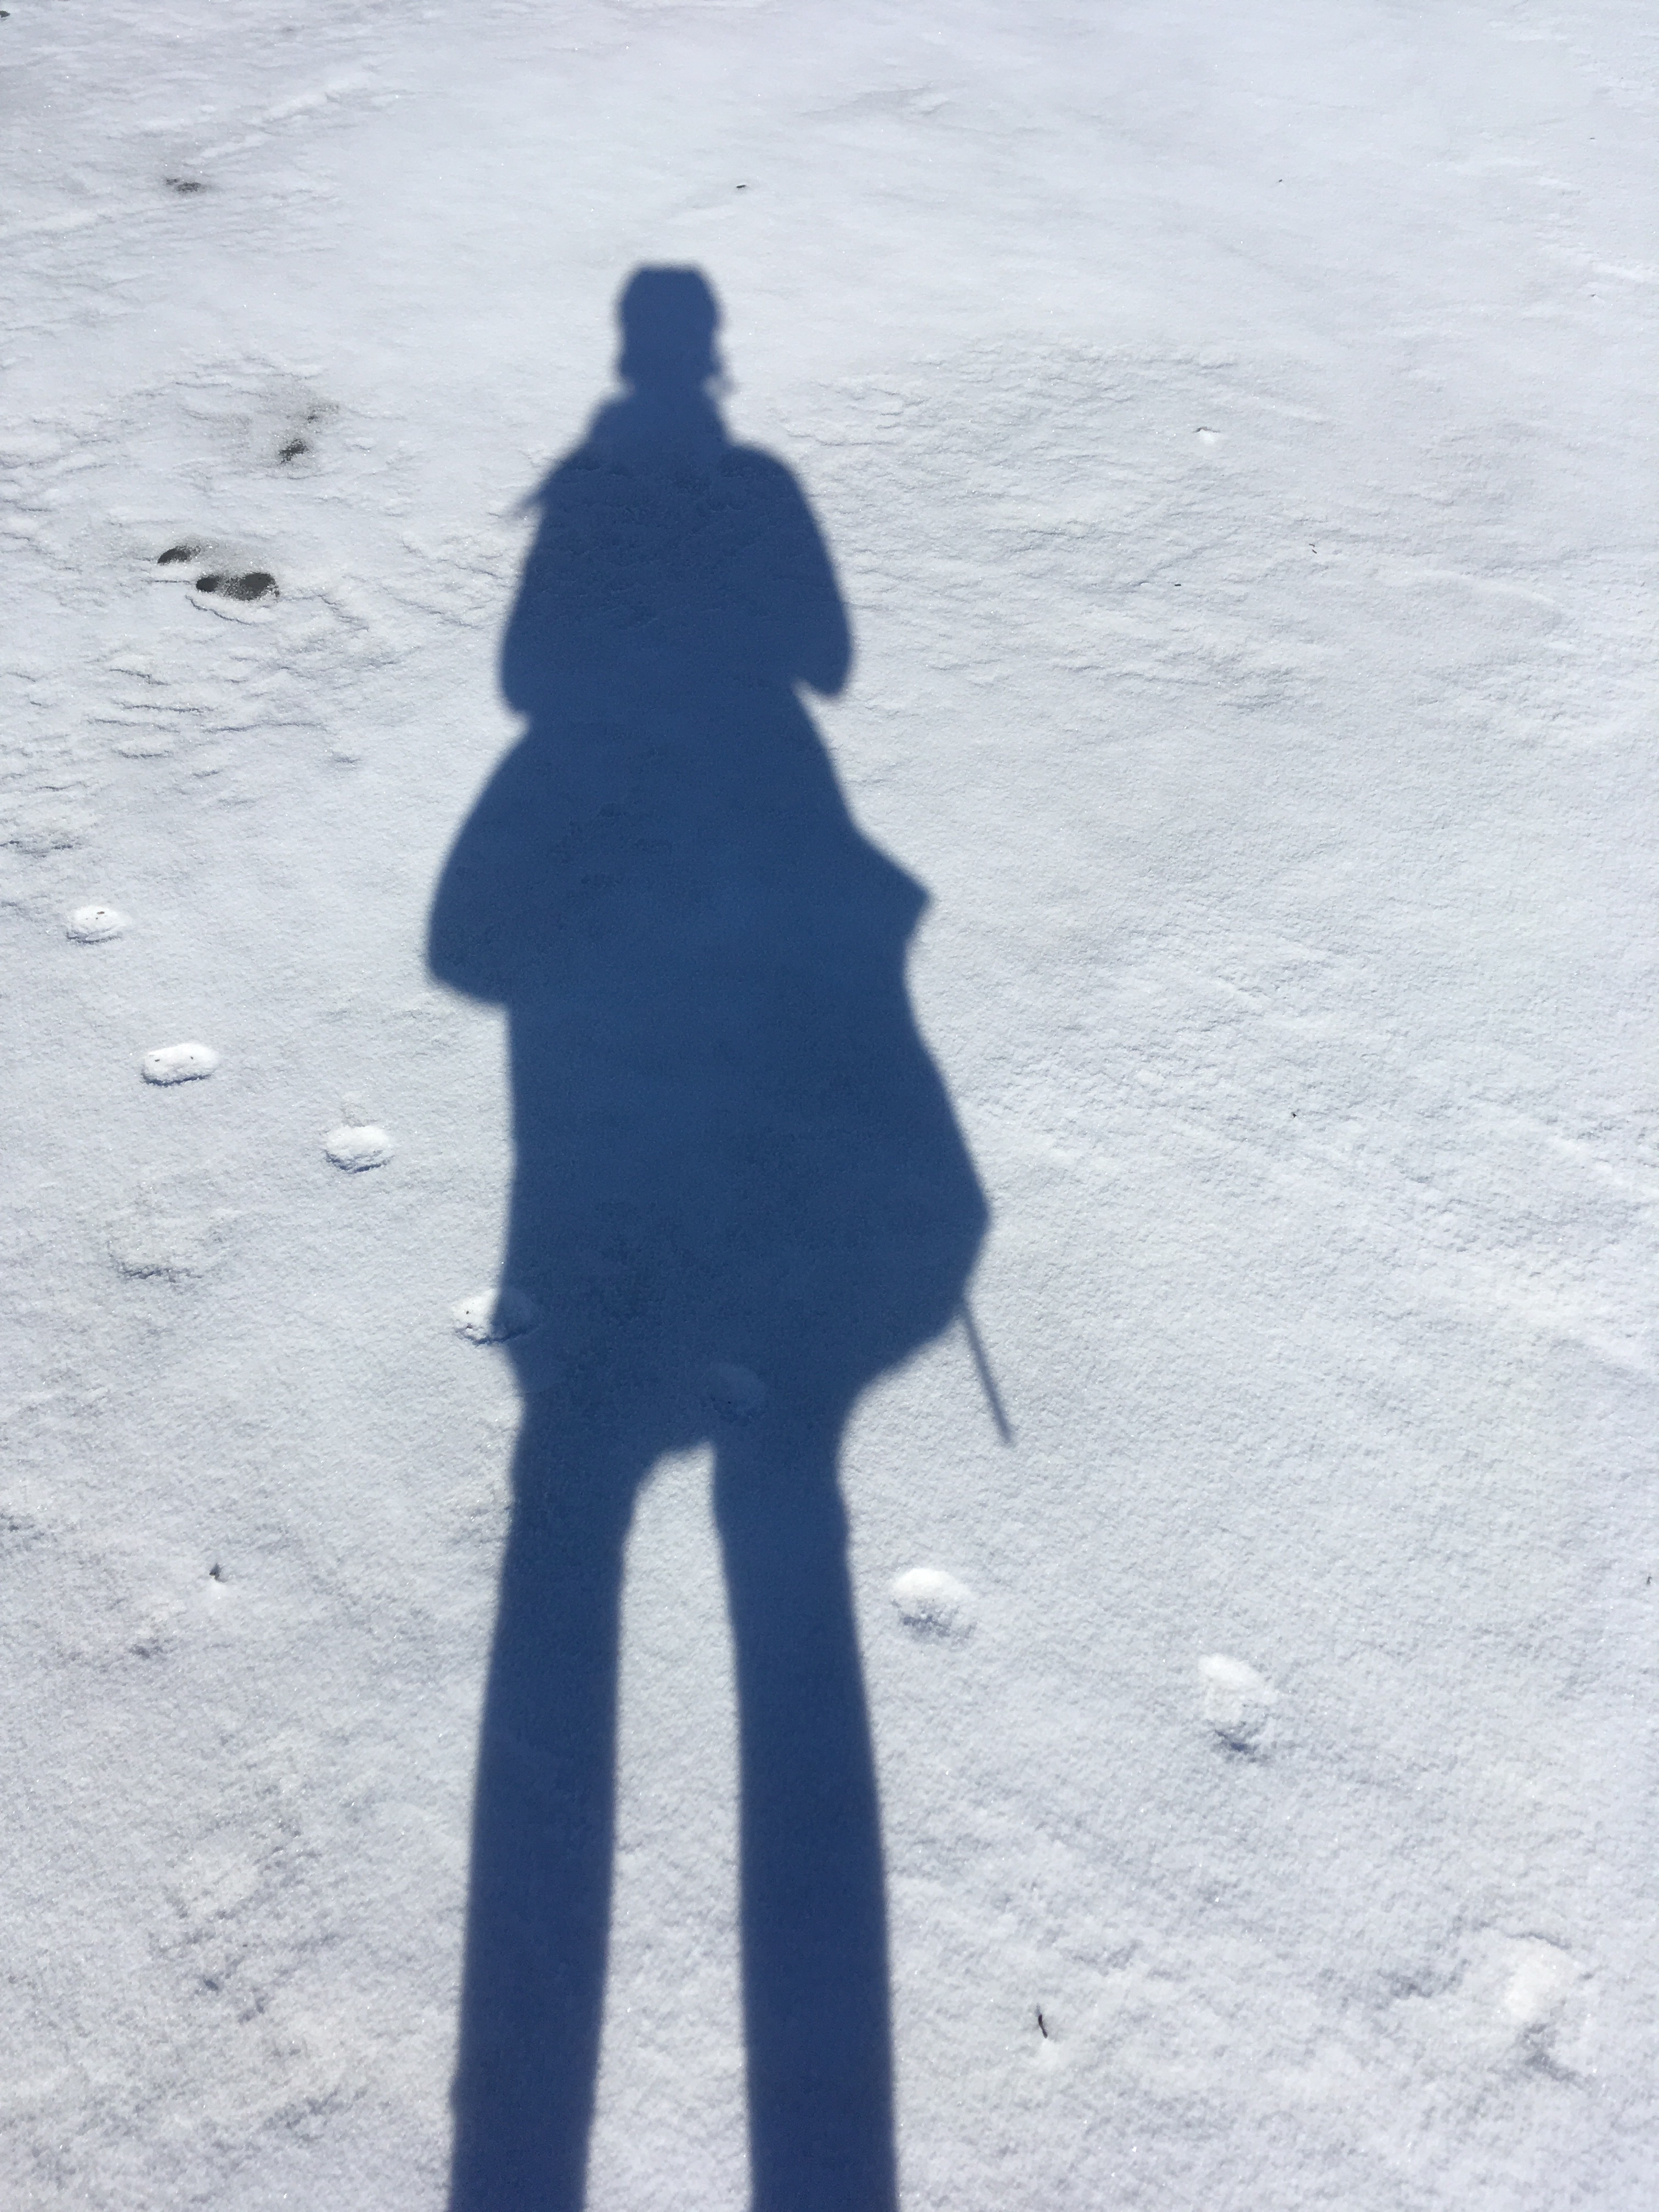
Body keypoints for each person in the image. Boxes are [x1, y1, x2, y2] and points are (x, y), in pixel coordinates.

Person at [429, 266, 986, 2210]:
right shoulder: (746, 491)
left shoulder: (588, 505)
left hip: (609, 1009)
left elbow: (524, 705)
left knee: (576, 1503)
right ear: (710, 360)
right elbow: (824, 655)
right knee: (762, 1511)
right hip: (739, 832)